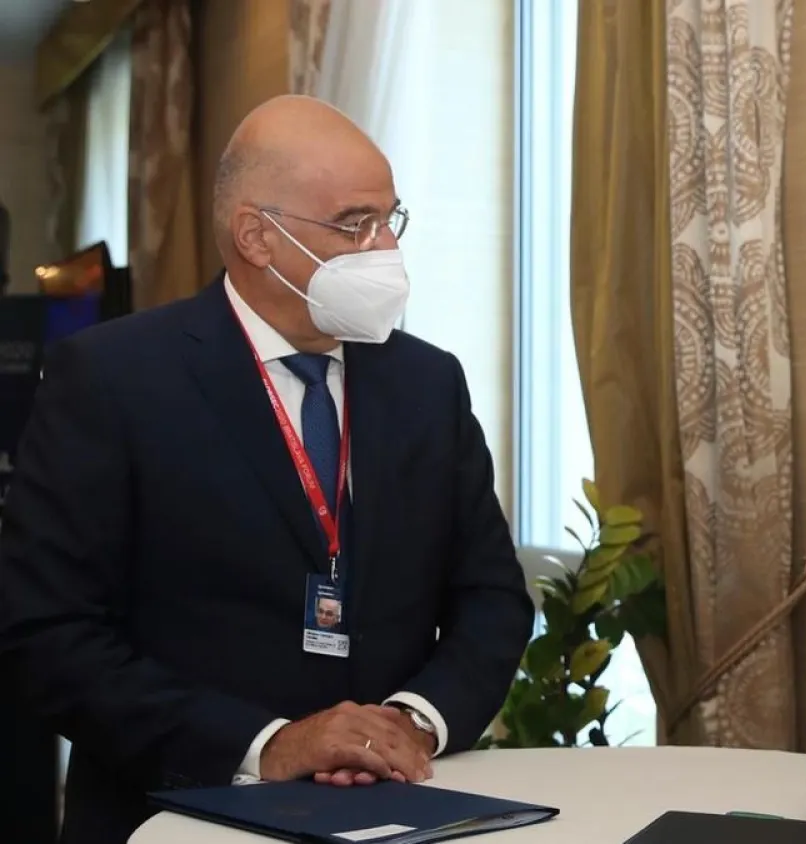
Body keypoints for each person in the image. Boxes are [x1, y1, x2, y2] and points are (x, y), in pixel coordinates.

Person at [0, 96, 535, 844]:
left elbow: (492, 599)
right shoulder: (112, 379)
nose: (385, 248)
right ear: (257, 235)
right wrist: (269, 744)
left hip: (409, 813)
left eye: (391, 219)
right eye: (355, 224)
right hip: (176, 815)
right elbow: (50, 634)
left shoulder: (427, 383)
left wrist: (412, 722)